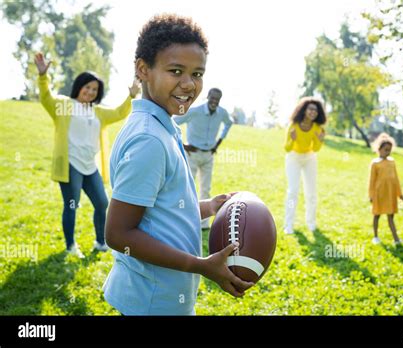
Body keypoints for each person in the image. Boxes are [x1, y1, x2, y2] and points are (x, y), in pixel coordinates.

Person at [103, 14, 253, 315]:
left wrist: (208, 206)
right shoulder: (150, 140)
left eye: (197, 74)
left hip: (159, 296)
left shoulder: (161, 126)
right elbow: (118, 234)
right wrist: (200, 265)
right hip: (151, 301)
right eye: (175, 71)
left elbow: (161, 211)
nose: (188, 85)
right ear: (143, 69)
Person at [34, 52, 140, 258]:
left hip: (90, 165)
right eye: (87, 87)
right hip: (70, 164)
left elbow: (119, 112)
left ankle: (100, 242)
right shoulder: (64, 105)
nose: (90, 92)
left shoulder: (98, 111)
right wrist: (42, 76)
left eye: (95, 89)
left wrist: (131, 96)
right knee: (71, 205)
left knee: (102, 203)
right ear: (79, 86)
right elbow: (46, 97)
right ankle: (71, 246)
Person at [173, 88, 233, 229]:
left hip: (208, 155)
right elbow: (174, 122)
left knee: (206, 188)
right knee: (186, 187)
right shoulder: (195, 111)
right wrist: (183, 145)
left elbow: (229, 123)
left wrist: (218, 143)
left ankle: (203, 224)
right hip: (192, 154)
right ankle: (181, 218)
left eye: (217, 99)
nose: (214, 101)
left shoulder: (222, 113)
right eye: (212, 98)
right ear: (207, 97)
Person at [283, 97, 326, 235]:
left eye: (316, 110)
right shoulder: (293, 125)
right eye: (310, 109)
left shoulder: (317, 128)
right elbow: (287, 148)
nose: (313, 112)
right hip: (293, 158)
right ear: (304, 110)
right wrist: (293, 139)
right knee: (293, 191)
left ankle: (311, 223)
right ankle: (288, 224)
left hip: (309, 158)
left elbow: (316, 148)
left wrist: (320, 140)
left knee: (311, 192)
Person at [368, 133, 403, 245]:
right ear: (379, 149)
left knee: (391, 216)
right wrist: (371, 195)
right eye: (385, 150)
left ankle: (396, 239)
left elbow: (396, 179)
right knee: (377, 215)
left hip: (390, 194)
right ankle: (375, 236)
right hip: (379, 194)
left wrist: (399, 193)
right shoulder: (375, 164)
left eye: (389, 150)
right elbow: (371, 181)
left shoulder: (392, 162)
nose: (387, 152)